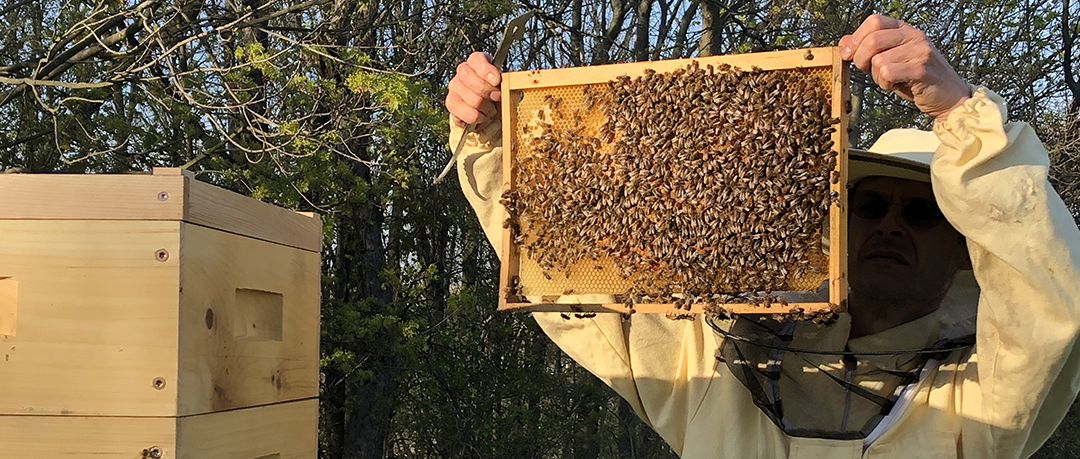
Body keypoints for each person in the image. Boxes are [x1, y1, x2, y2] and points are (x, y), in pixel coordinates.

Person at [445, 14, 1080, 459]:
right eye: (870, 202)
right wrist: (499, 142)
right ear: (837, 217)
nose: (890, 222)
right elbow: (578, 282)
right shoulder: (710, 360)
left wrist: (961, 116)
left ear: (963, 246)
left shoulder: (987, 398)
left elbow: (1051, 297)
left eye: (922, 213)